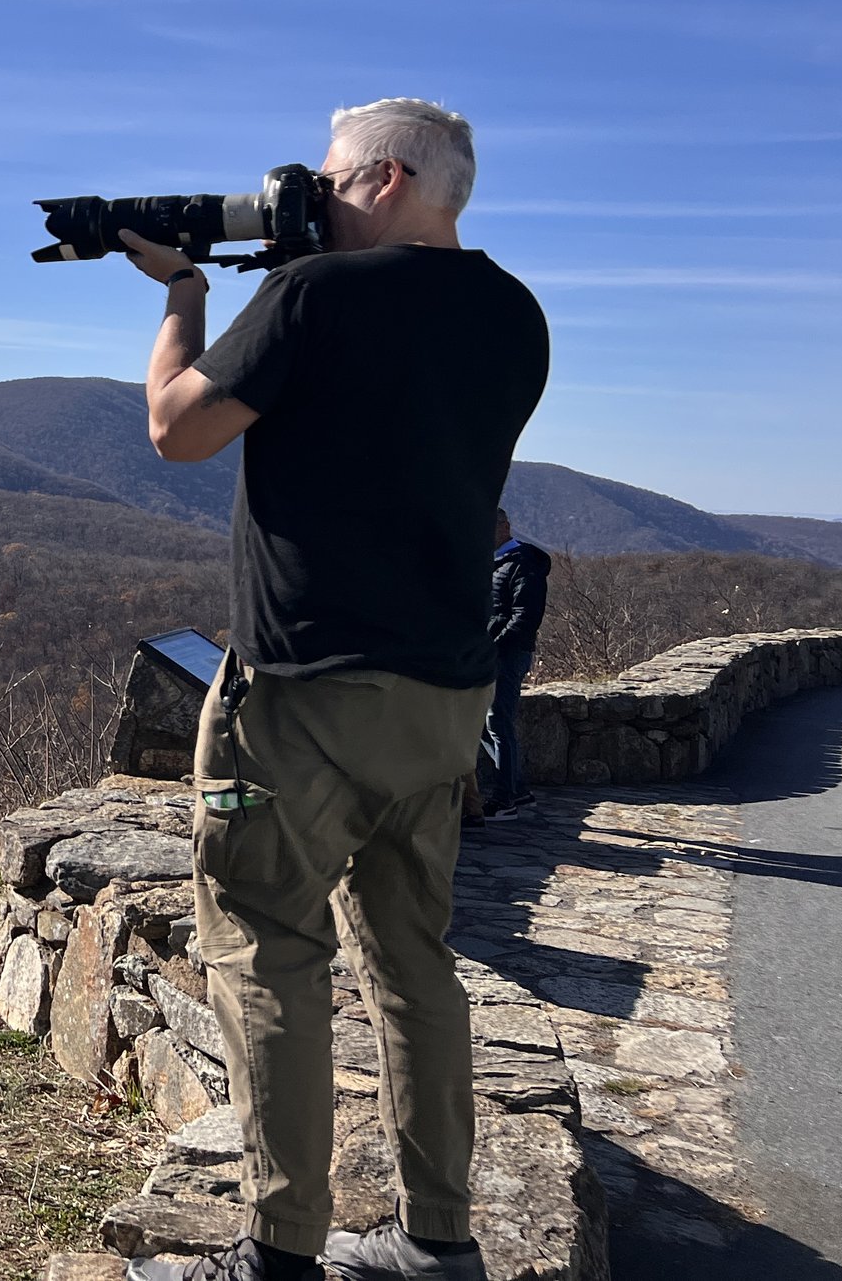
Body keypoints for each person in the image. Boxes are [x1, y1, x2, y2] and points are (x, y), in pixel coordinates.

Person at [112, 99, 550, 1281]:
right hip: (444, 694)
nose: (307, 195)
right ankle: (437, 1241)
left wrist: (187, 294)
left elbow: (175, 431)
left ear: (387, 179)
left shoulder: (311, 300)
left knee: (266, 952)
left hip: (302, 691)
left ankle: (278, 1252)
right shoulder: (516, 314)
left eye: (327, 178)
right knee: (414, 960)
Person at [479, 513, 551, 820]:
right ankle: (518, 790)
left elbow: (524, 616)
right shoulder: (498, 562)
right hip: (493, 653)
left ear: (504, 527)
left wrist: (495, 645)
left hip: (507, 655)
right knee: (485, 725)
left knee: (498, 724)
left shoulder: (522, 563)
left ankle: (504, 800)